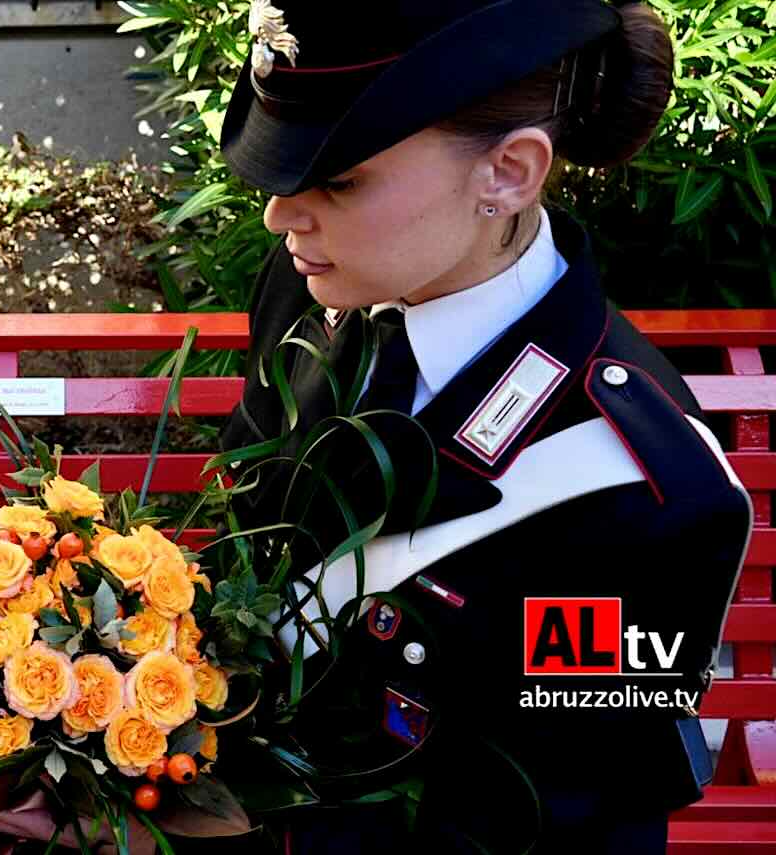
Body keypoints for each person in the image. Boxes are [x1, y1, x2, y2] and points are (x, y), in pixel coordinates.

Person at [213, 1, 756, 852]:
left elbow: (557, 820)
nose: (283, 216)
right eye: (286, 173)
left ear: (507, 172)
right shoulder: (306, 300)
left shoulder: (645, 487)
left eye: (340, 179)